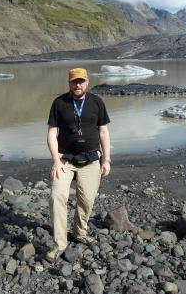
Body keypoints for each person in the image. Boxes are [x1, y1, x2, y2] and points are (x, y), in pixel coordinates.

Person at [46, 67, 111, 262]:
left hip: (91, 160)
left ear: (87, 82)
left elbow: (103, 132)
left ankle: (79, 232)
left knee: (86, 200)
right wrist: (56, 161)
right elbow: (51, 133)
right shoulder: (59, 103)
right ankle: (60, 244)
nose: (78, 85)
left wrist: (106, 159)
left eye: (81, 81)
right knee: (57, 196)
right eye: (74, 81)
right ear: (69, 83)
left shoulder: (97, 102)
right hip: (65, 159)